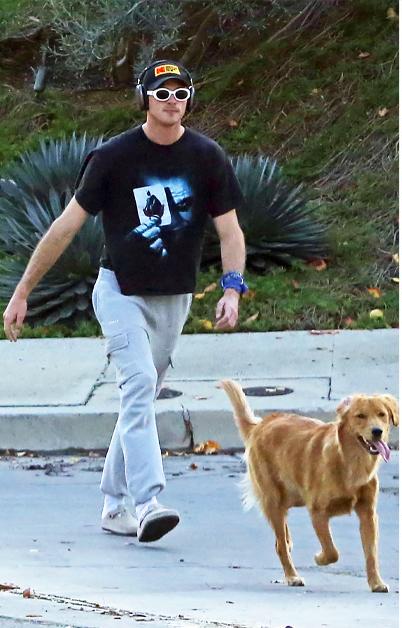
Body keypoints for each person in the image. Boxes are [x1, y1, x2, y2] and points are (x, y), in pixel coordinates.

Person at [2, 59, 248, 542]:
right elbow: (66, 227)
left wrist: (232, 287)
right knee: (137, 386)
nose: (172, 101)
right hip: (119, 292)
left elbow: (230, 229)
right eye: (162, 93)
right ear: (144, 99)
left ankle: (113, 506)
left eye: (180, 93)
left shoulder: (207, 156)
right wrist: (23, 289)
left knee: (140, 398)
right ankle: (148, 500)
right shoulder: (113, 157)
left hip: (174, 298)